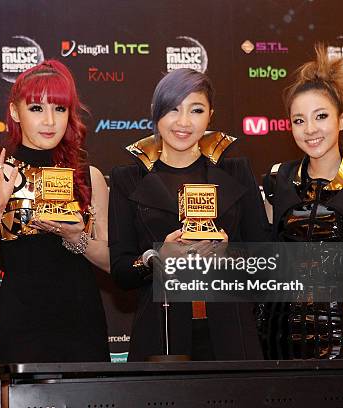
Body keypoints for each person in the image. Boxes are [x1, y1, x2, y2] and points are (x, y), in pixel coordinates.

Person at [108, 68, 270, 361]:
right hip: (161, 336)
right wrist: (156, 257)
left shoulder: (236, 172)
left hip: (232, 335)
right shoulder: (127, 179)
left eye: (196, 110)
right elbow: (121, 270)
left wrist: (230, 254)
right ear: (155, 114)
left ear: (210, 115)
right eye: (172, 109)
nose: (183, 122)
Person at [258, 44, 343, 359]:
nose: (310, 129)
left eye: (320, 116)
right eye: (298, 120)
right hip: (277, 336)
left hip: (340, 337)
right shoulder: (276, 178)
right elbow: (262, 256)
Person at [0, 60, 110, 363]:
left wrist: (77, 238)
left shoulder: (88, 177)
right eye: (36, 109)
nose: (49, 121)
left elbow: (112, 262)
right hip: (22, 326)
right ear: (16, 112)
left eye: (59, 109)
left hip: (82, 323)